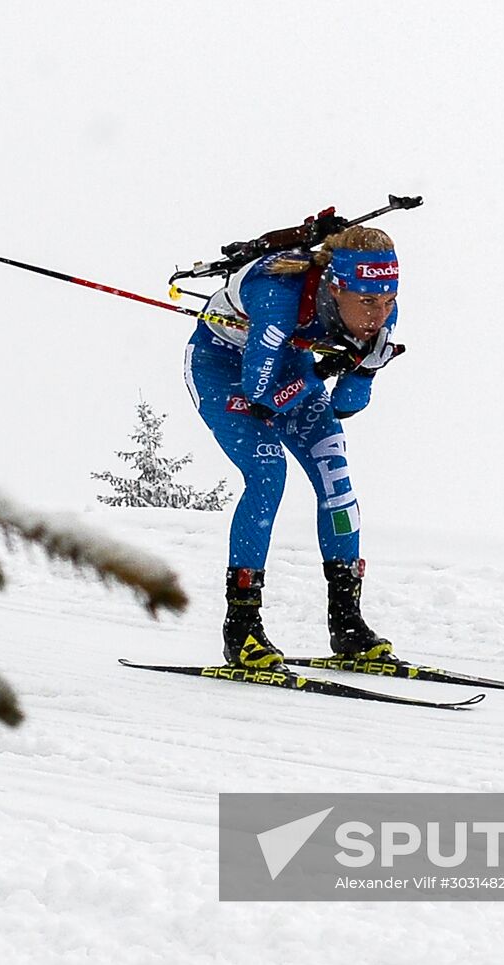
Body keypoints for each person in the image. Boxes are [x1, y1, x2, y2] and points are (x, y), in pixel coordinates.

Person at [183, 225, 404, 669]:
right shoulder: (277, 293)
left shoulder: (378, 309)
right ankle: (241, 627)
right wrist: (331, 366)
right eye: (367, 303)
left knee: (336, 479)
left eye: (386, 302)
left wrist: (363, 369)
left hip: (291, 370)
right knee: (268, 475)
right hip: (223, 369)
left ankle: (347, 623)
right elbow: (261, 395)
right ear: (336, 287)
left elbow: (345, 406)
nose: (378, 316)